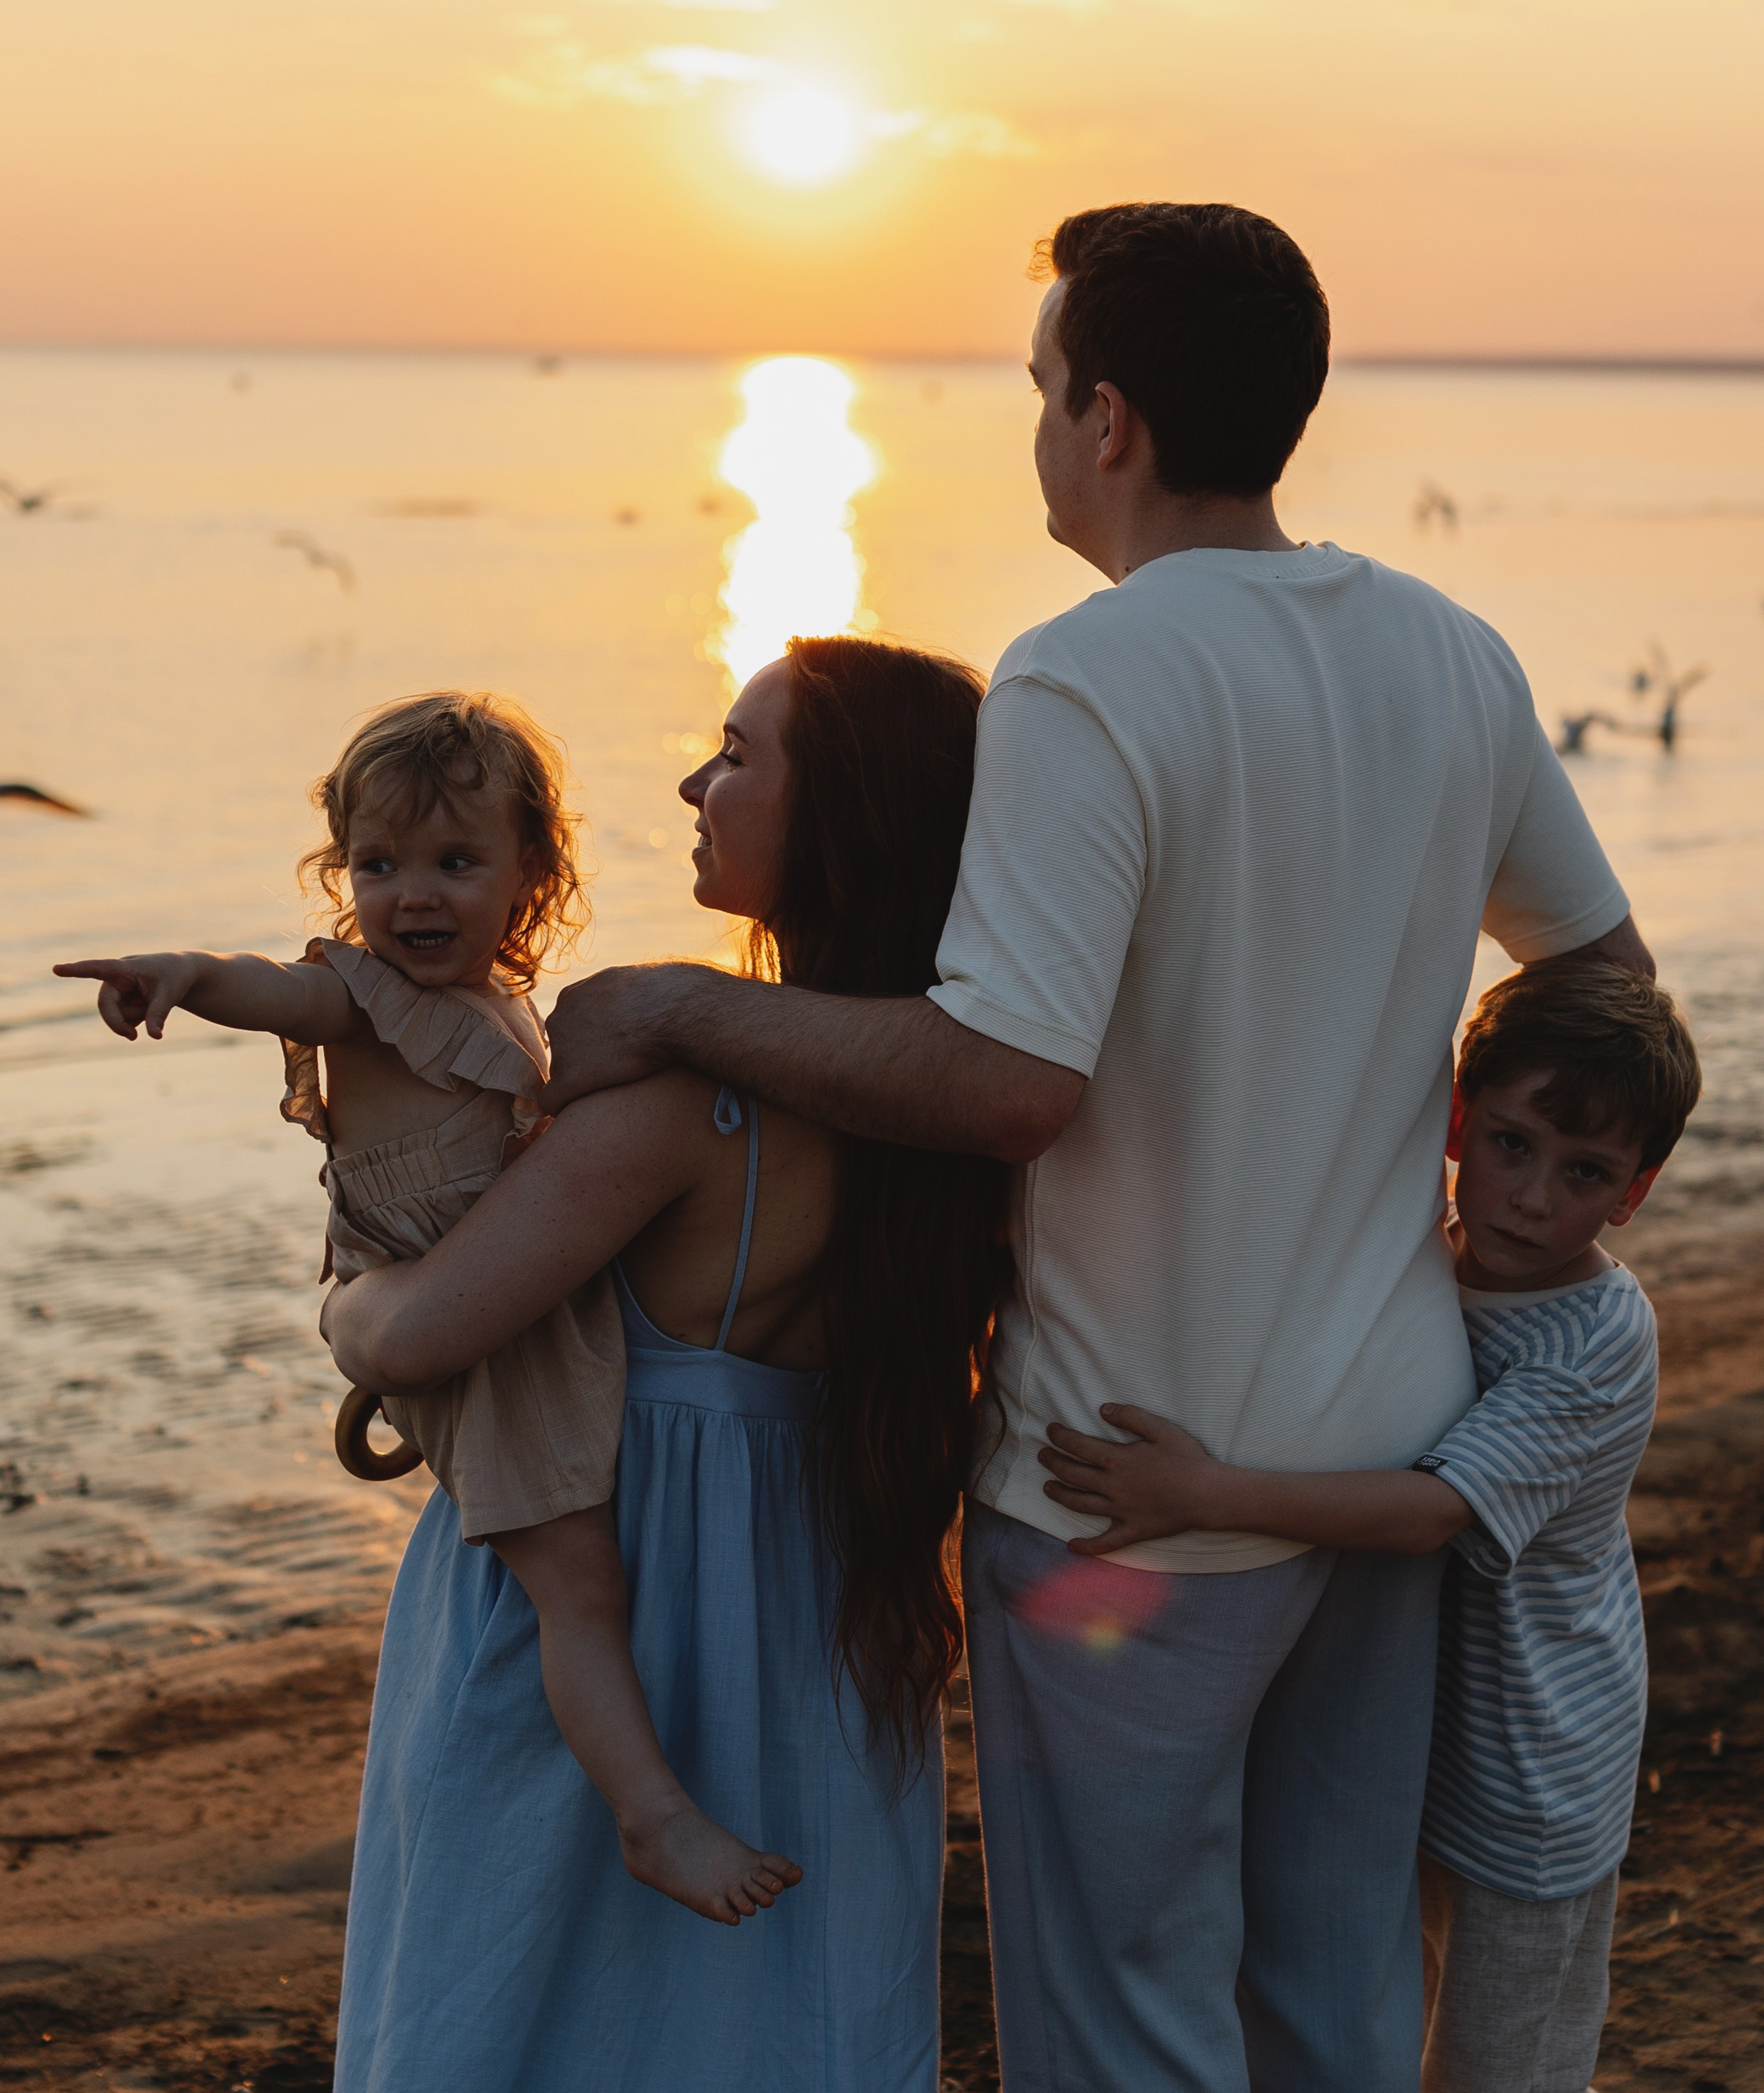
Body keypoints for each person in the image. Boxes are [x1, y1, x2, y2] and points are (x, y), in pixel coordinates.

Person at [534, 202, 1656, 2092]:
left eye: (1044, 387)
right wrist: (1458, 1159)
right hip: (1381, 1447)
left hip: (1120, 1496)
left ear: (1110, 417)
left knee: (1124, 2029)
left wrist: (679, 1007)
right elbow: (1606, 974)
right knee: (1338, 2004)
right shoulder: (1448, 652)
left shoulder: (1088, 672)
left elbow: (1001, 1082)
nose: (1039, 424)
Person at [319, 639, 1009, 2093]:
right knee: (767, 2028)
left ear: (843, 815)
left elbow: (420, 1332)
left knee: (515, 2008)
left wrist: (348, 1301)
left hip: (590, 1615)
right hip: (817, 1608)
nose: (697, 780)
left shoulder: (689, 1112)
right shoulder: (956, 1107)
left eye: (741, 753)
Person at [55, 688, 795, 1923]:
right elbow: (271, 990)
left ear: (530, 872)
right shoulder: (365, 995)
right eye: (378, 862)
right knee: (577, 1582)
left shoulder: (494, 1003)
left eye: (455, 862)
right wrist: (182, 971)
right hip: (478, 1344)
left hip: (510, 1312)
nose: (412, 896)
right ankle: (653, 1819)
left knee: (599, 1564)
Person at [1041, 951, 1699, 2093]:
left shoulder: (1594, 1339)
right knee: (1397, 2024)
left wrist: (1205, 1494)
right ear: (1456, 1121)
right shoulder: (1424, 1262)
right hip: (1419, 1758)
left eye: (1584, 1172)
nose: (1535, 1197)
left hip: (1534, 1786)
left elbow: (1429, 1514)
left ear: (1633, 1194)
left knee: (1505, 2070)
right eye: (1511, 1145)